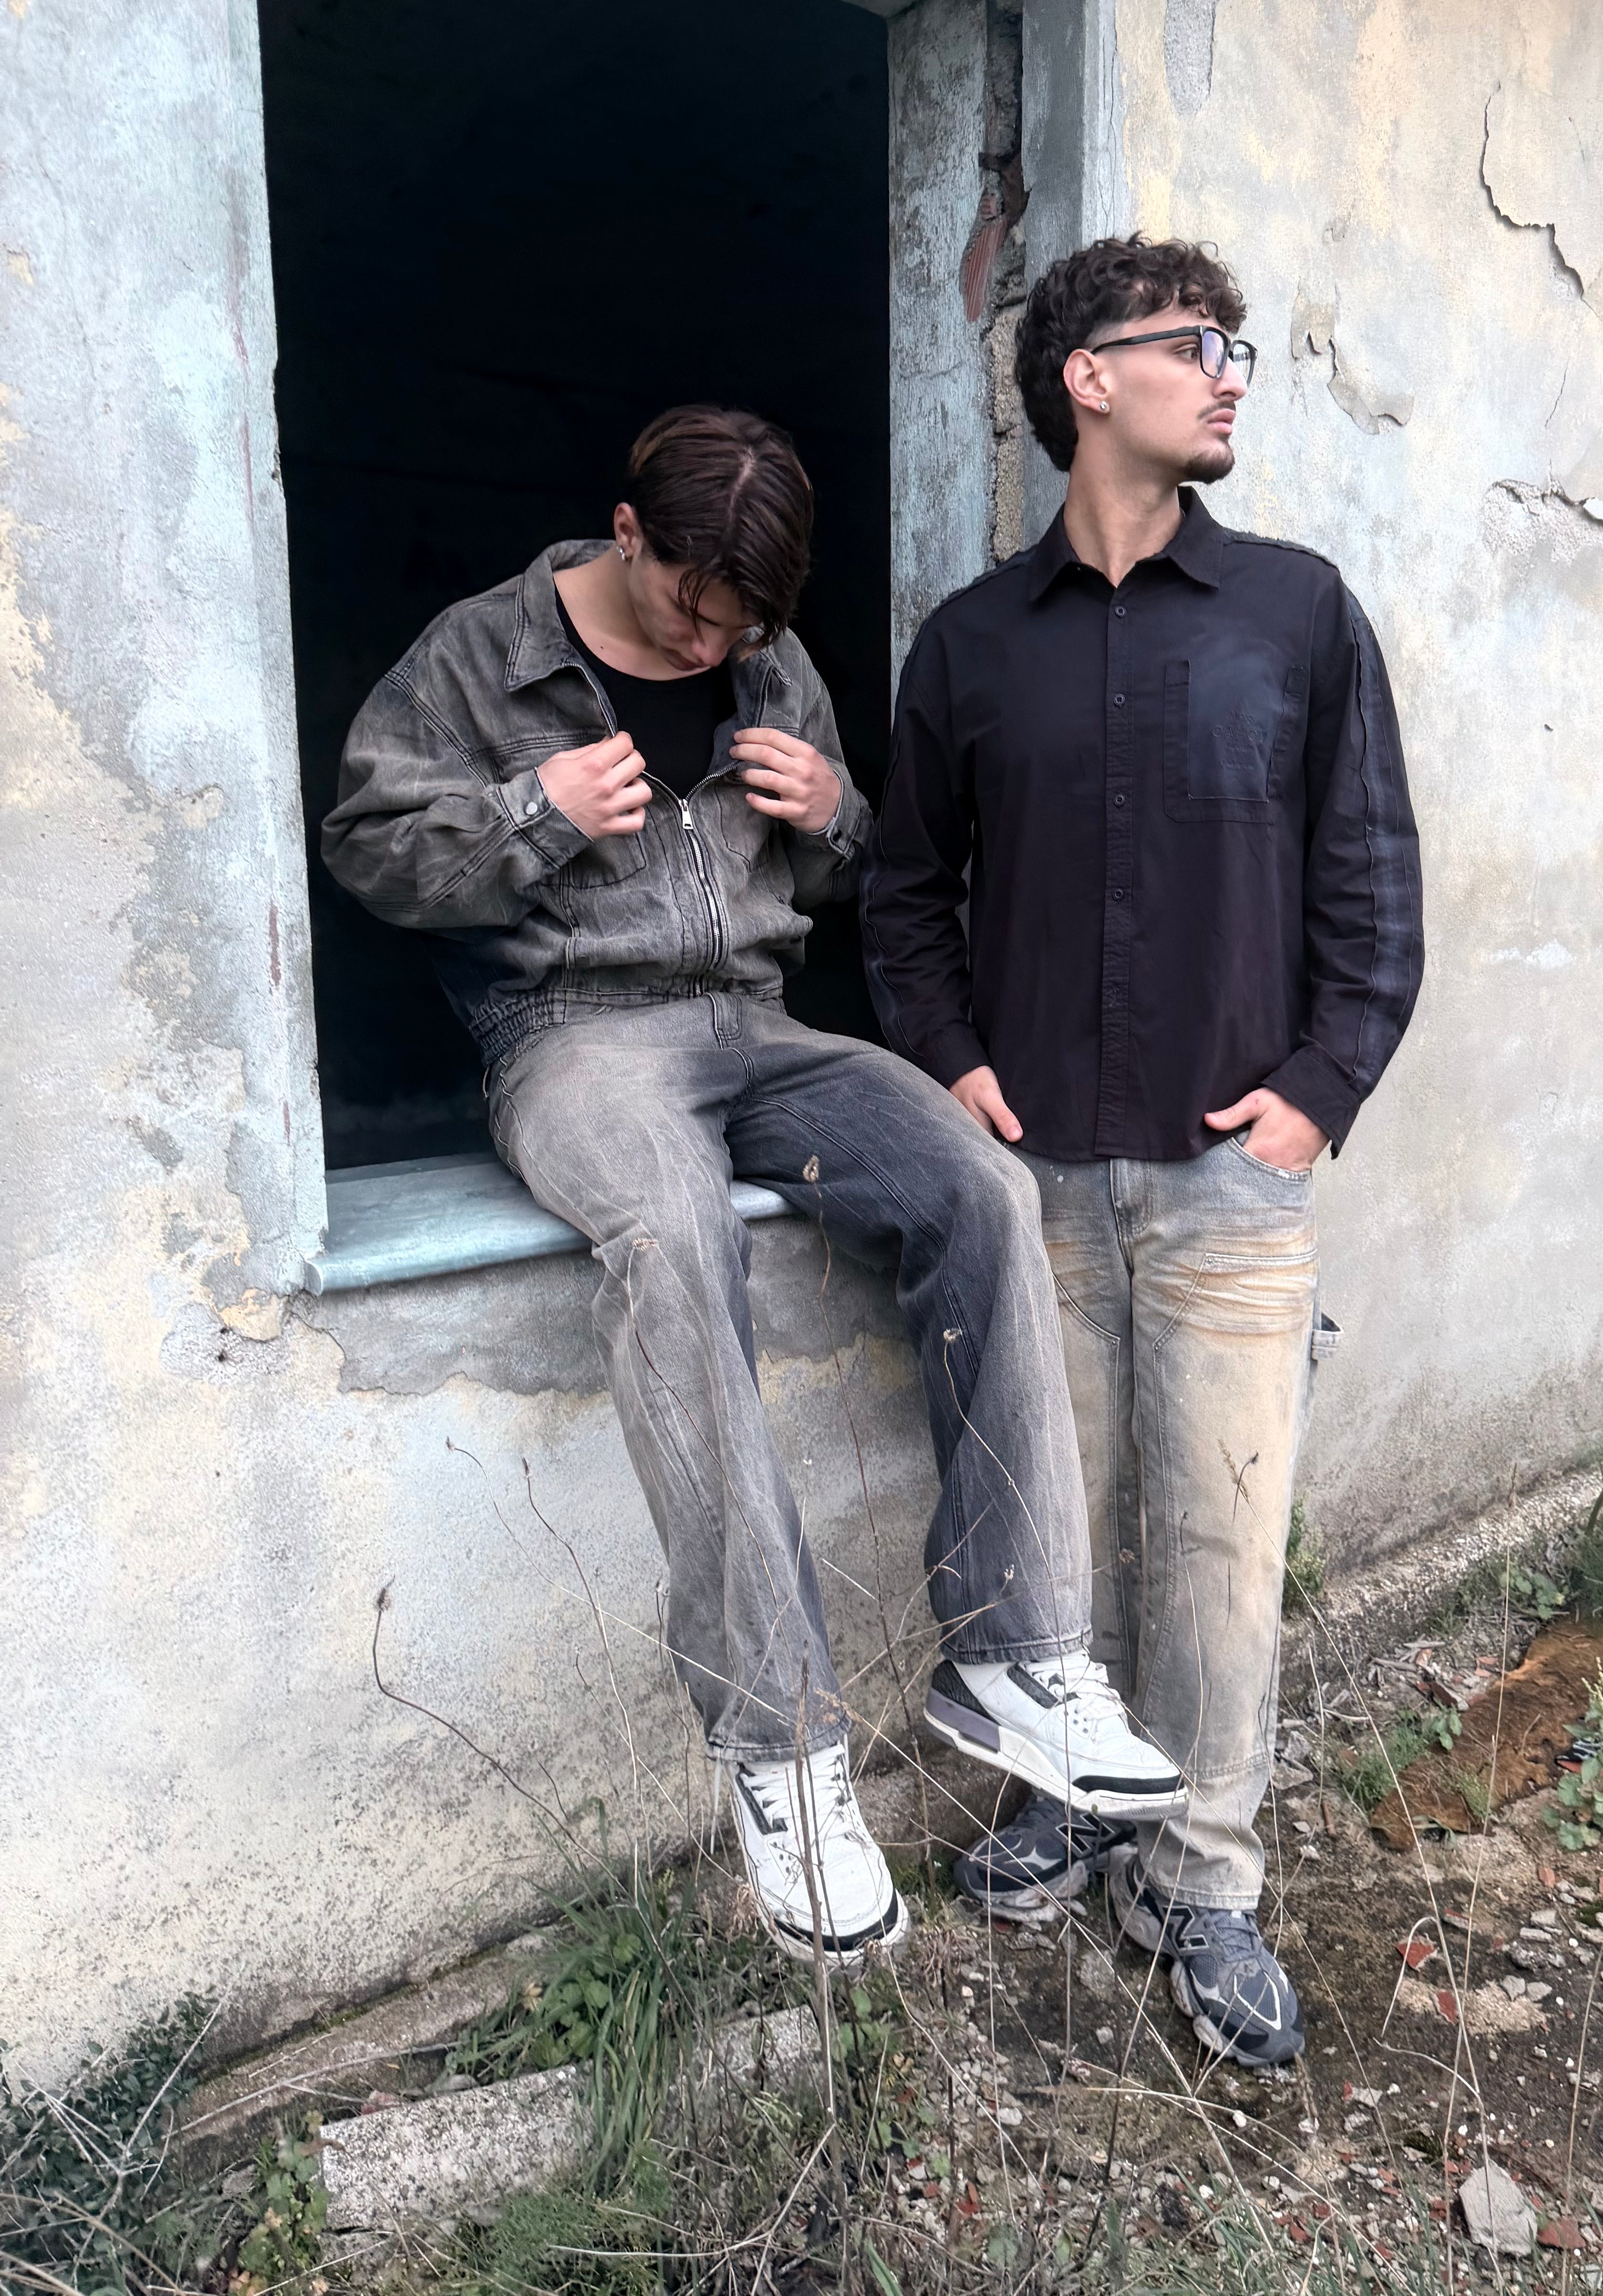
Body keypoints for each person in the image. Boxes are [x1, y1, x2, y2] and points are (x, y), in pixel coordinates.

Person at [322, 404, 1185, 1968]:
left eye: (745, 624)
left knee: (981, 1188)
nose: (714, 642)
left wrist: (832, 814)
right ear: (627, 532)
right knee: (671, 1235)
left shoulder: (770, 656)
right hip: (570, 1036)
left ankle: (1015, 1656)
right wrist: (530, 817)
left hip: (759, 1025)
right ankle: (783, 1749)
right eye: (691, 607)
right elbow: (367, 848)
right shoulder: (479, 653)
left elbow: (863, 867)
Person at [861, 240, 1424, 2064]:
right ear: (1088, 378)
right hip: (1033, 1191)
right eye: (1199, 344)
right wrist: (950, 1065)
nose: (1232, 372)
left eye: (1236, 347)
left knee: (1221, 1543)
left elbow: (1371, 882)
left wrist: (1320, 1090)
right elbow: (902, 896)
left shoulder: (1296, 613)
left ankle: (1202, 1878)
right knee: (1050, 1537)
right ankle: (1074, 1807)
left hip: (1229, 1181)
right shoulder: (970, 646)